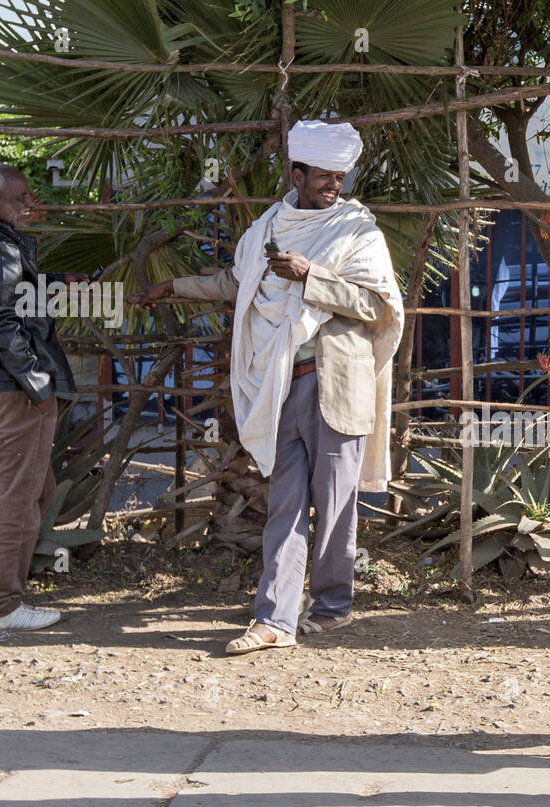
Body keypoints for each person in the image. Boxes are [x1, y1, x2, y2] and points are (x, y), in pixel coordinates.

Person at [141, 120, 403, 654]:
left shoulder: (359, 233)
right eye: (324, 176)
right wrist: (175, 287)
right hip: (280, 382)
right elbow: (239, 284)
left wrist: (312, 277)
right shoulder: (266, 228)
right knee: (284, 502)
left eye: (340, 176)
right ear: (297, 173)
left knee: (335, 505)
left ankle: (331, 607)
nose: (334, 185)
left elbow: (377, 305)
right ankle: (276, 618)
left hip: (339, 385)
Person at [0, 164, 85, 631]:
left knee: (37, 492)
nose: (33, 204)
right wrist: (37, 382)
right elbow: (1, 322)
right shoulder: (2, 247)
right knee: (18, 496)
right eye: (23, 197)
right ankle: (2, 606)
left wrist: (53, 282)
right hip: (16, 389)